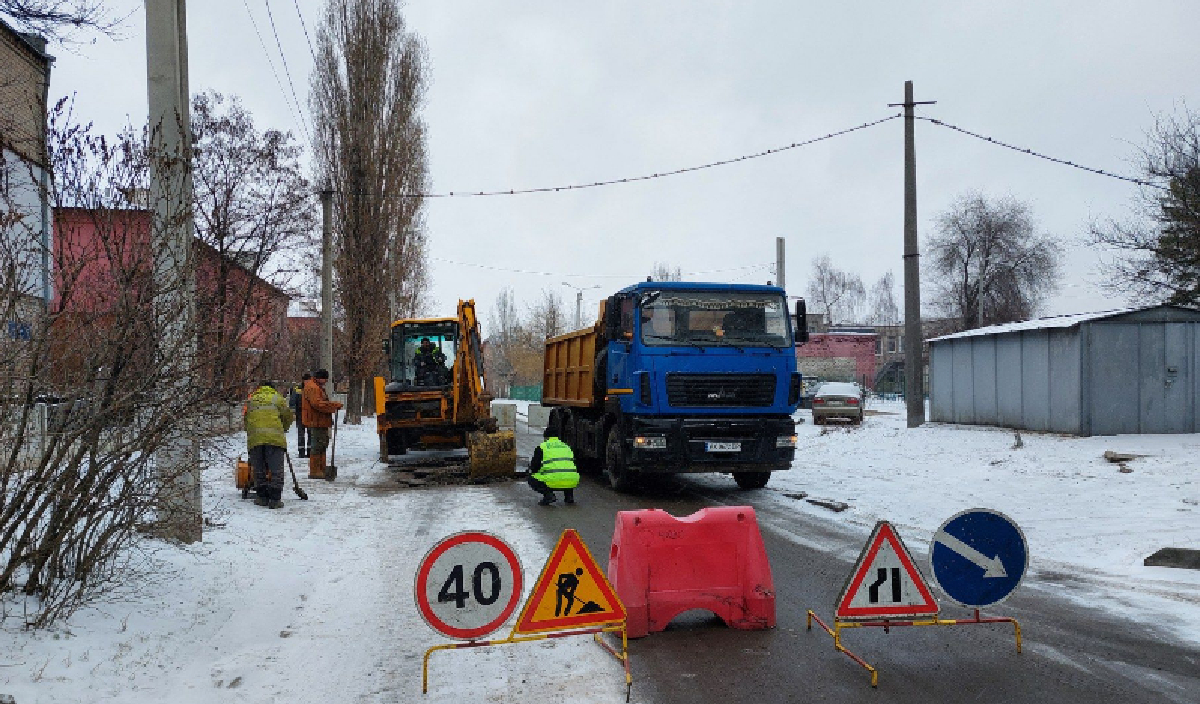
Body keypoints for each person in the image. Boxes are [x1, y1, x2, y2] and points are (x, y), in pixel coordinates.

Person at [244, 381, 294, 509]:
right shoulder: (278, 398)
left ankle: (261, 498)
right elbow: (288, 416)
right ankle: (275, 500)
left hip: (255, 438)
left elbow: (246, 418)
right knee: (276, 470)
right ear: (273, 388)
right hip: (274, 439)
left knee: (259, 469)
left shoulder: (252, 400)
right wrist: (284, 428)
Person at [302, 368, 343, 480]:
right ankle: (315, 470)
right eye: (325, 379)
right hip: (316, 421)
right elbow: (317, 404)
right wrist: (333, 405)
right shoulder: (313, 388)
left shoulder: (316, 387)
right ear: (321, 378)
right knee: (318, 445)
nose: (326, 382)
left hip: (320, 421)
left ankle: (321, 468)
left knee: (322, 444)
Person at [528, 427, 580, 506]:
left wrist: (532, 470)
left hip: (553, 481)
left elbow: (534, 467)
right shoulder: (567, 446)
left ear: (545, 437)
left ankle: (548, 495)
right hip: (572, 481)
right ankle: (569, 497)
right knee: (566, 473)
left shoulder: (542, 447)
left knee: (531, 477)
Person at [289, 373, 311, 457]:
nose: (307, 382)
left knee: (310, 434)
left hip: (309, 415)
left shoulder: (312, 389)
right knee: (301, 434)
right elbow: (292, 402)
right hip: (300, 414)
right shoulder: (297, 389)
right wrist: (293, 413)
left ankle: (309, 452)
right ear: (303, 380)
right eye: (306, 380)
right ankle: (301, 453)